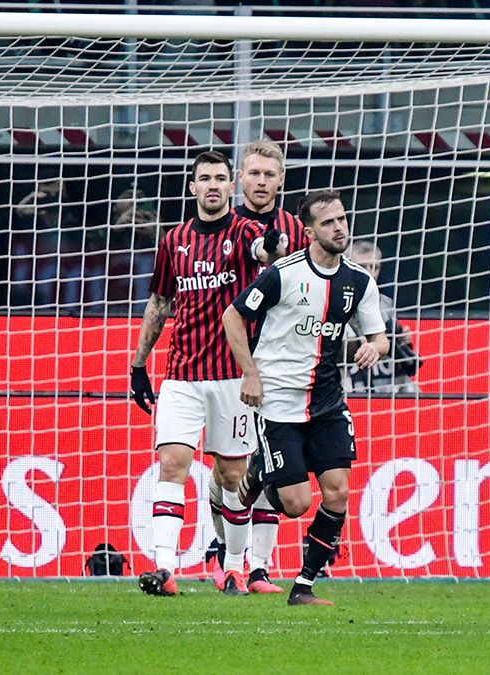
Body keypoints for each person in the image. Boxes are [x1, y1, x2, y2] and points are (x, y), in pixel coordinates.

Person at [130, 150, 286, 597]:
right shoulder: (173, 239)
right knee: (172, 464)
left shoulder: (243, 232)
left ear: (228, 186)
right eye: (206, 179)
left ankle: (234, 566)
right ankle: (164, 568)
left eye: (221, 178)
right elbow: (160, 303)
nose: (214, 185)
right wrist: (140, 364)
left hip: (232, 378)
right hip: (181, 374)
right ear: (192, 187)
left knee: (233, 477)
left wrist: (272, 245)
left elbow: (263, 249)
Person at [223, 188, 388, 606]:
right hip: (277, 399)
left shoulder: (359, 281)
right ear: (311, 231)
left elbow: (379, 338)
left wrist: (373, 347)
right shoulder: (284, 273)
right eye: (329, 222)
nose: (339, 227)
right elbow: (233, 316)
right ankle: (261, 469)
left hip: (329, 401)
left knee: (338, 492)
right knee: (296, 505)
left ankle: (304, 586)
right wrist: (250, 374)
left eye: (342, 219)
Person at [204, 139, 308, 594]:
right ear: (239, 179)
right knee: (232, 467)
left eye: (270, 174)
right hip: (230, 358)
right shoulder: (223, 225)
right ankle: (222, 551)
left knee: (269, 462)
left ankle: (260, 567)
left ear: (280, 180)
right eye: (254, 174)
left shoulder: (295, 228)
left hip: (285, 359)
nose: (261, 181)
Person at [343, 241, 422, 395]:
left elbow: (395, 340)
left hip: (382, 374)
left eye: (375, 267)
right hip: (348, 377)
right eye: (363, 266)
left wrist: (403, 339)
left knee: (410, 383)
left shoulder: (386, 303)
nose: (370, 273)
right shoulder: (336, 299)